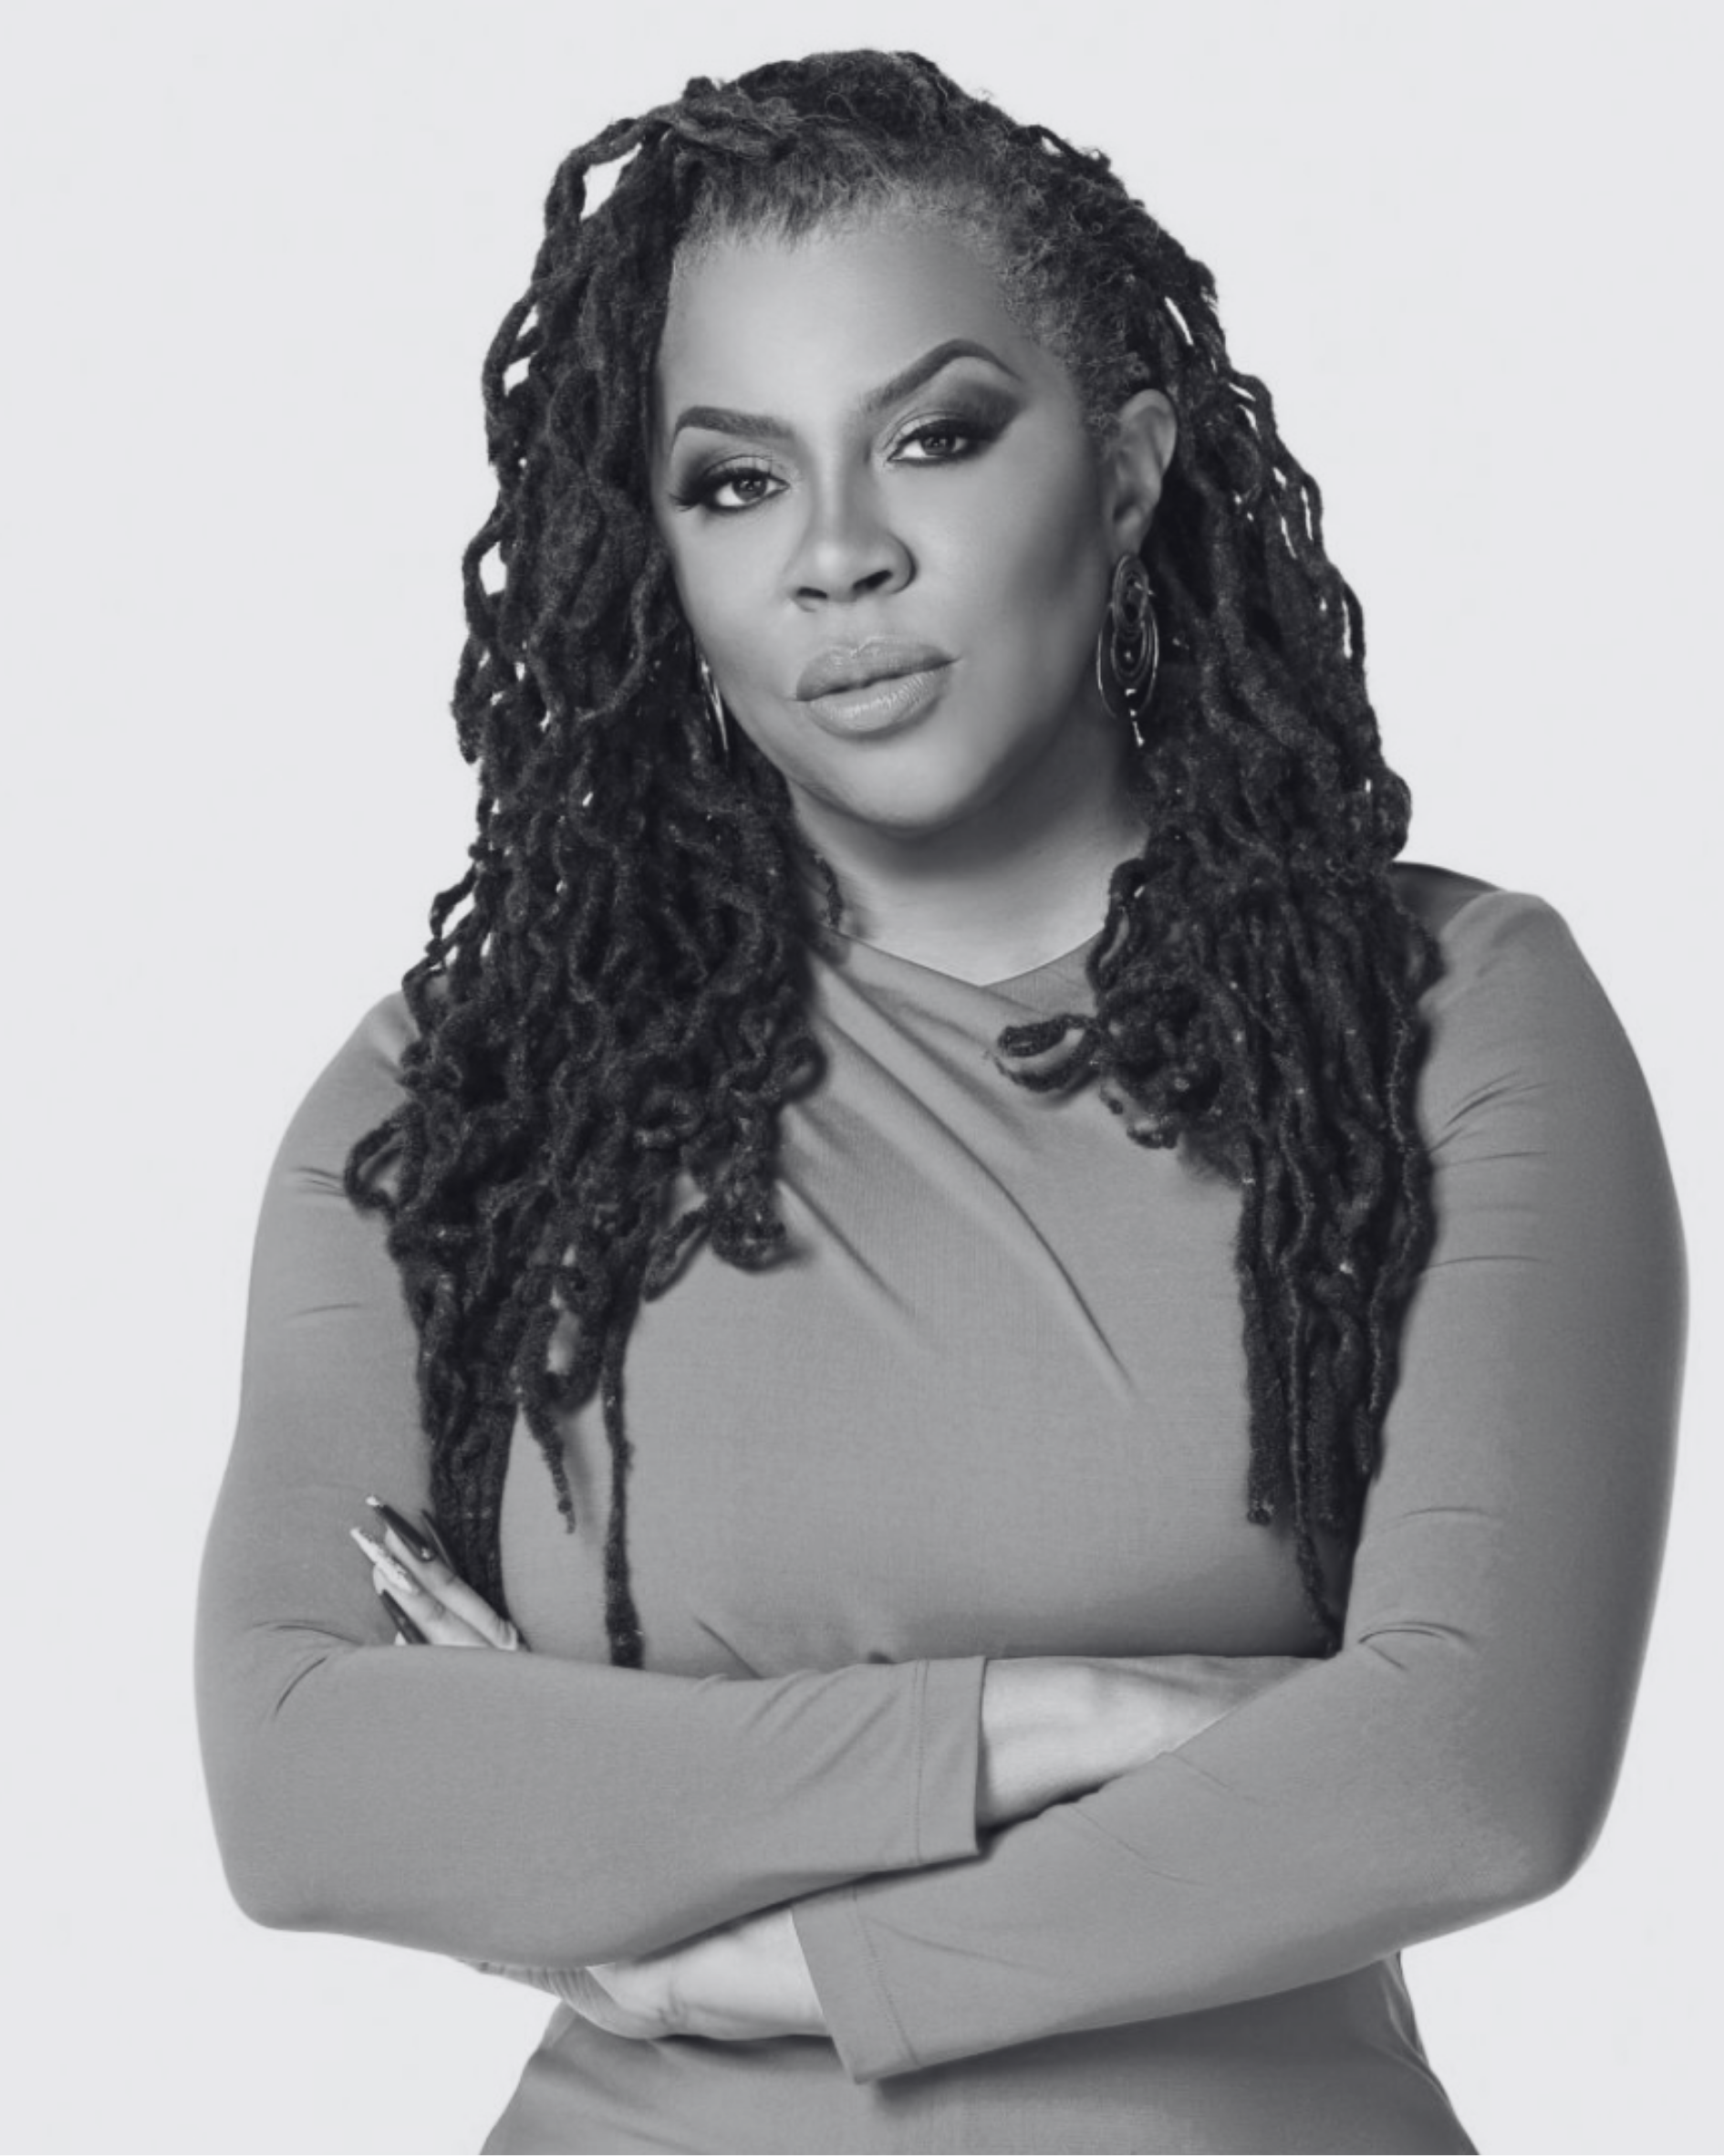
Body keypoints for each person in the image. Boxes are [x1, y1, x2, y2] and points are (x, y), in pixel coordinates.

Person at [193, 47, 1686, 2156]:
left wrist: (779, 1954)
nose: (840, 554)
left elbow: (1468, 1773)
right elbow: (302, 1780)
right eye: (735, 481)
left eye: (937, 436)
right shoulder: (481, 1097)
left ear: (1130, 468)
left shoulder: (1443, 1020)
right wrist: (1056, 1717)